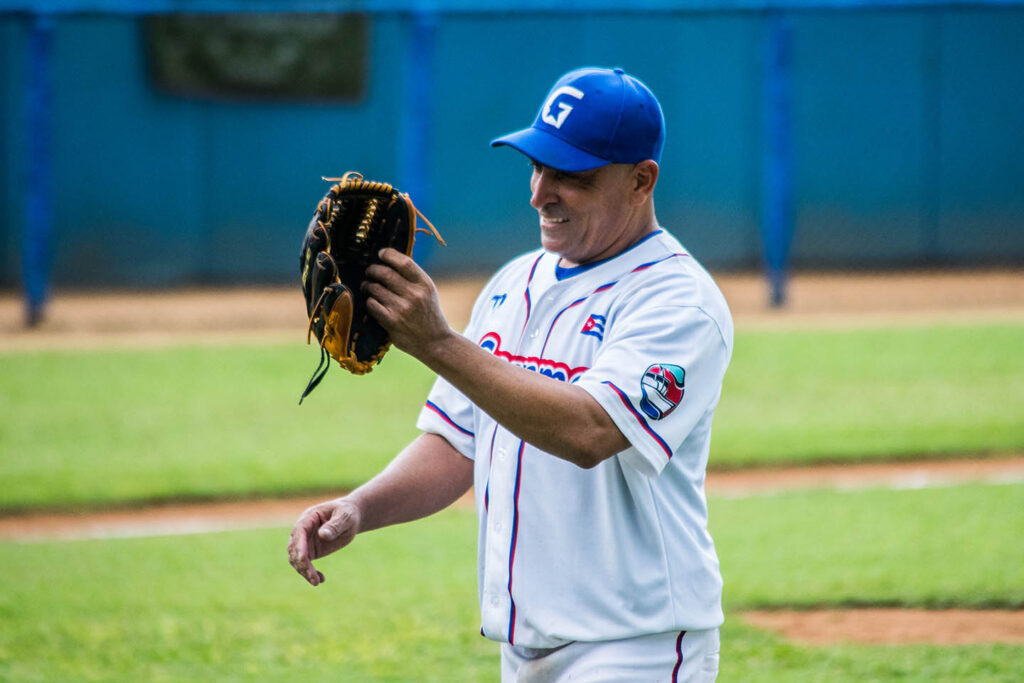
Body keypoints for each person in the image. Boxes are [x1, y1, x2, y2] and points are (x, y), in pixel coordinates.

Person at [288, 66, 732, 682]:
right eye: (537, 166)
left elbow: (590, 432)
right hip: (523, 652)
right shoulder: (514, 283)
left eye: (570, 175)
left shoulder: (678, 302)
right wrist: (360, 508)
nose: (540, 193)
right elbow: (457, 443)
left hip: (639, 647)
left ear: (640, 180)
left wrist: (439, 343)